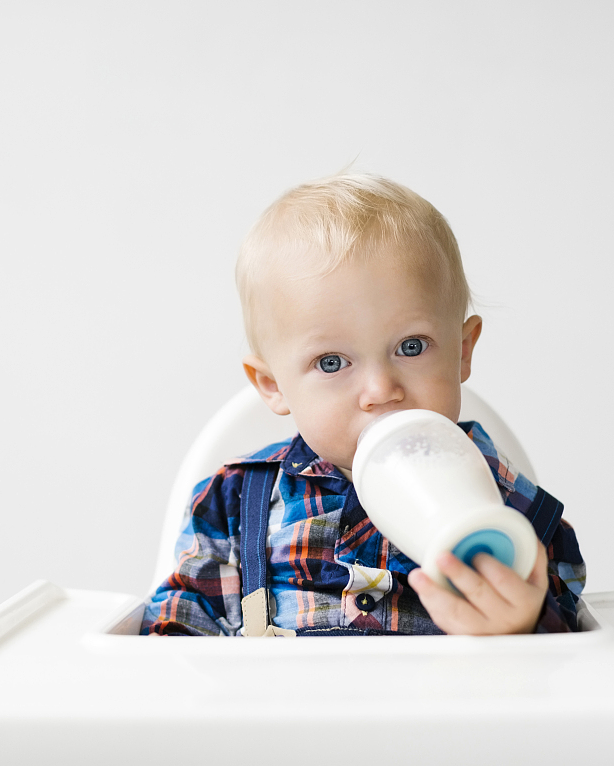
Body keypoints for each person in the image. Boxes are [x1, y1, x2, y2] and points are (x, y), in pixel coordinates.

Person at [142, 173, 585, 637]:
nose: (381, 389)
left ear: (463, 351)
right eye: (332, 362)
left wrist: (527, 625)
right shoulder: (233, 505)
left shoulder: (511, 505)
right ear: (272, 384)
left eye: (411, 347)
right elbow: (174, 648)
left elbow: (579, 644)